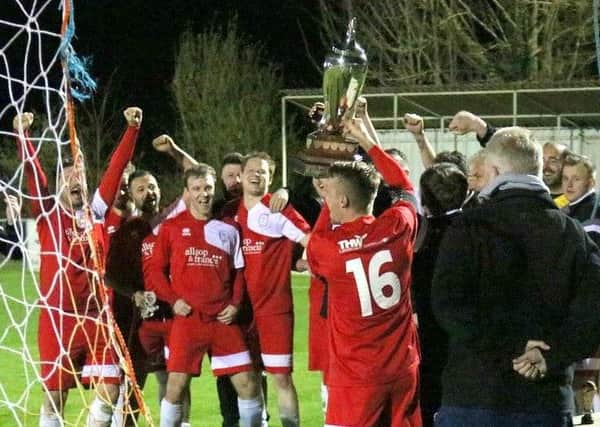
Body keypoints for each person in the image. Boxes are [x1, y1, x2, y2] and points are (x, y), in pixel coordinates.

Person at [432, 126, 600, 427]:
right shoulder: (574, 234)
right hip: (544, 400)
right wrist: (551, 354)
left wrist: (514, 346)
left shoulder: (468, 227)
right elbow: (593, 311)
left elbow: (448, 305)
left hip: (474, 394)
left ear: (495, 170)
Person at [14, 107, 141, 427]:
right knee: (56, 397)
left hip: (97, 318)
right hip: (59, 321)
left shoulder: (95, 212)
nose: (74, 182)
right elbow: (33, 174)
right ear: (58, 185)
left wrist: (131, 131)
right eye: (67, 178)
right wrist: (22, 135)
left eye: (79, 178)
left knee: (112, 388)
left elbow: (113, 172)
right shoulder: (47, 213)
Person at [307, 118, 421, 426]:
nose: (324, 199)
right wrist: (367, 143)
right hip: (402, 369)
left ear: (342, 201)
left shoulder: (327, 248)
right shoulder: (397, 226)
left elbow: (314, 245)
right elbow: (404, 187)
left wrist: (324, 202)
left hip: (356, 377)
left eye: (327, 194)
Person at [146, 165, 263, 427]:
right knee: (175, 387)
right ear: (187, 192)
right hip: (189, 321)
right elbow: (155, 271)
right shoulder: (172, 228)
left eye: (208, 188)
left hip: (223, 321)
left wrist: (235, 304)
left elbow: (239, 272)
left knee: (248, 384)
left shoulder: (229, 228)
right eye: (197, 189)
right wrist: (173, 300)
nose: (204, 194)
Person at [105, 134, 195, 426]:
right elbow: (110, 276)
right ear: (131, 196)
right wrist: (134, 295)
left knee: (175, 379)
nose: (149, 192)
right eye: (141, 189)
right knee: (134, 379)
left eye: (152, 186)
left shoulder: (171, 218)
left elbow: (199, 175)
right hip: (137, 318)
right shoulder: (126, 231)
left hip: (174, 312)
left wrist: (174, 150)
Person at [224, 151, 310, 427]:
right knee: (248, 379)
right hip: (240, 312)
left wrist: (302, 261)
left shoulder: (277, 208)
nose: (255, 174)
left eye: (263, 171)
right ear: (242, 174)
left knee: (281, 377)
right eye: (251, 169)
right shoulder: (229, 212)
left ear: (270, 178)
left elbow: (311, 239)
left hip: (274, 310)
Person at [411, 163, 468, 427]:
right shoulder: (476, 231)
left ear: (424, 198)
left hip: (430, 343)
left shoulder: (421, 237)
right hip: (471, 341)